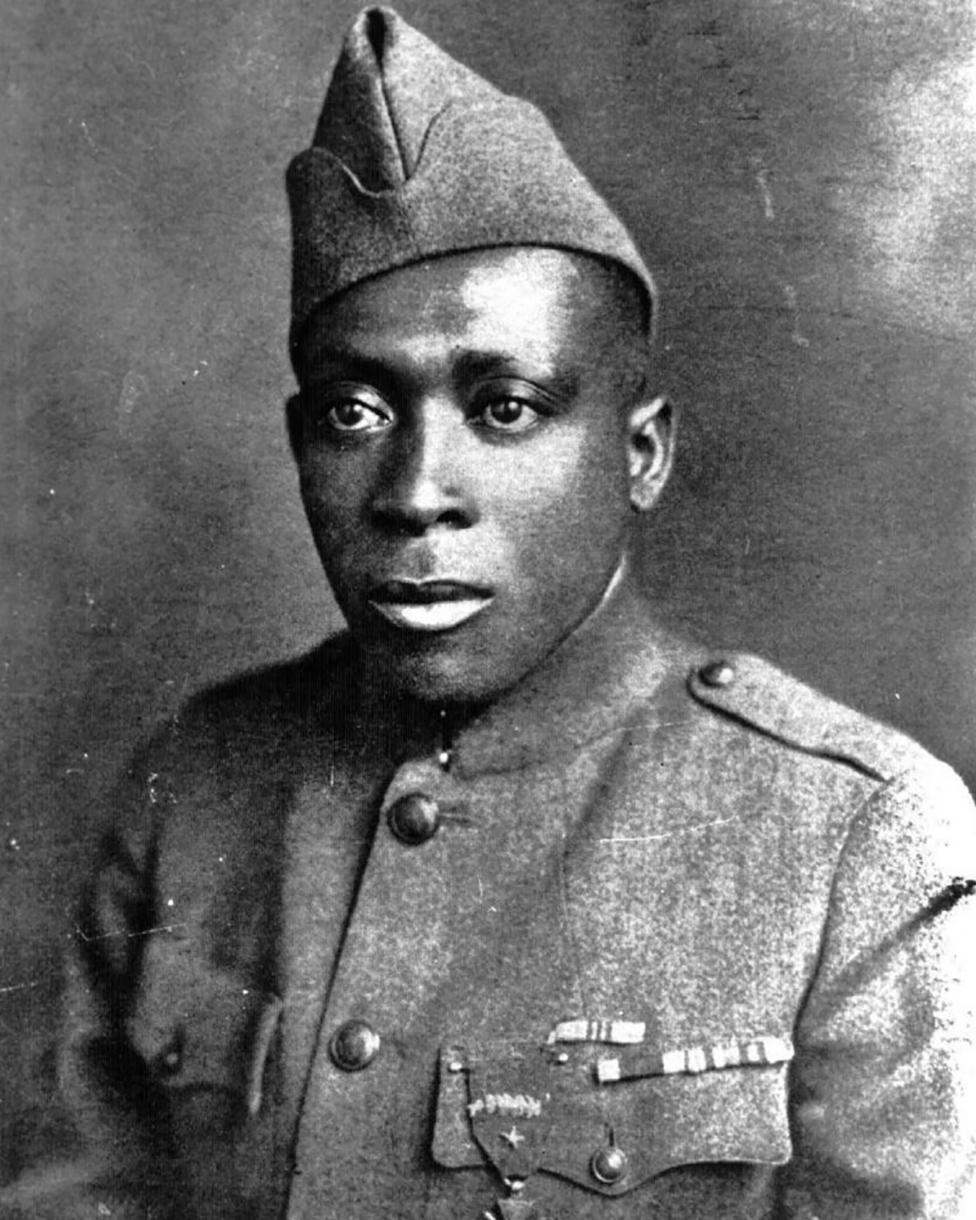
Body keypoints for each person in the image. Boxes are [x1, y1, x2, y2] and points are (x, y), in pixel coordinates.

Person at [4, 6, 975, 1218]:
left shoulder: (862, 847)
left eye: (506, 406)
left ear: (640, 454)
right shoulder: (198, 780)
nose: (414, 495)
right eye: (355, 411)